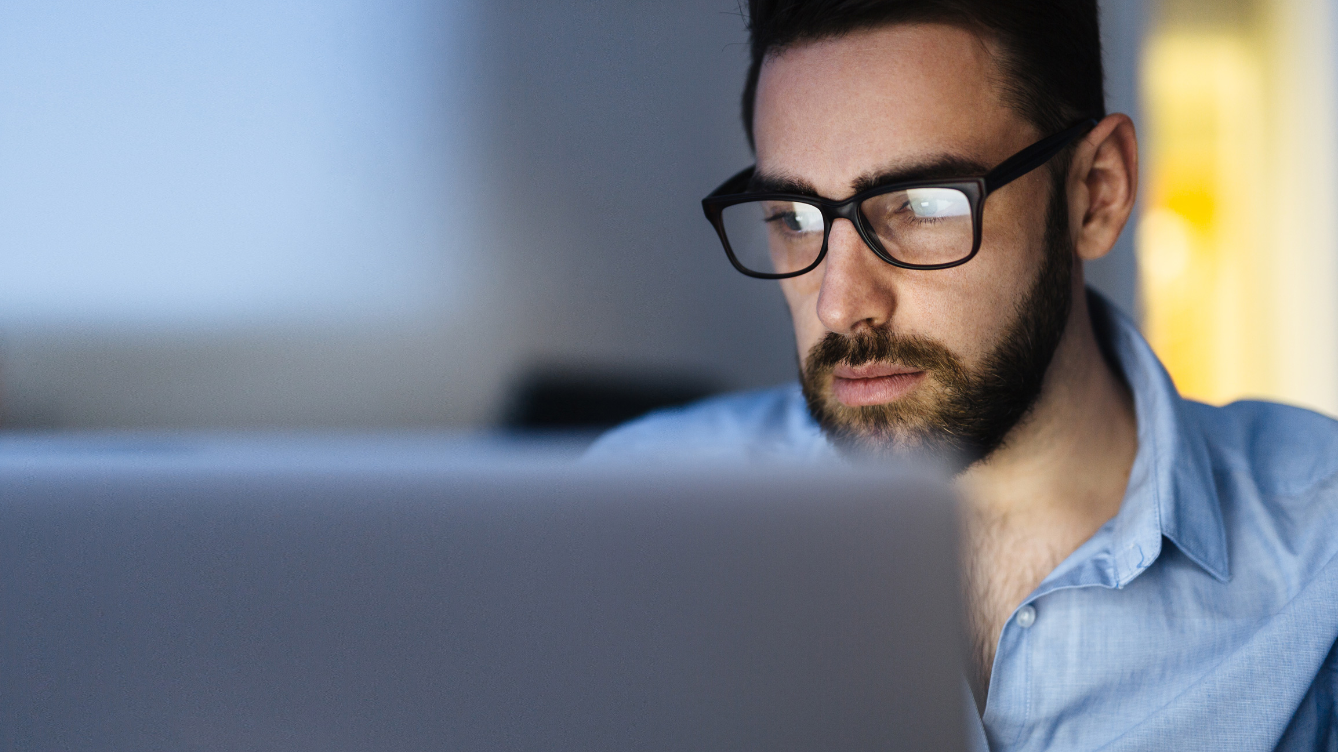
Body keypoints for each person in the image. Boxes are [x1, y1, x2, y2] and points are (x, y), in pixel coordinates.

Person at [586, 0, 1338, 748]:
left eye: (919, 205)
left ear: (1096, 191)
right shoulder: (630, 516)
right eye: (794, 217)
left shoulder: (1321, 552)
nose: (842, 304)